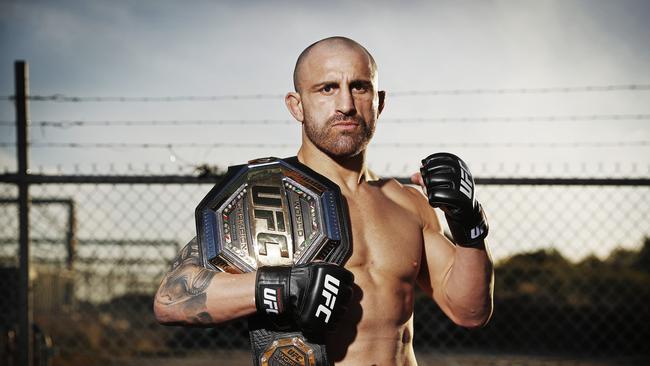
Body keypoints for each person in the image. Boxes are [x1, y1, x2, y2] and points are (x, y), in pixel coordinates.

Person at [154, 36, 494, 365]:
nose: (345, 104)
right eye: (327, 88)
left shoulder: (407, 202)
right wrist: (279, 287)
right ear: (296, 105)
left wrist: (468, 223)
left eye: (359, 87)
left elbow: (469, 311)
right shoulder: (263, 196)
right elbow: (171, 299)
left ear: (380, 101)